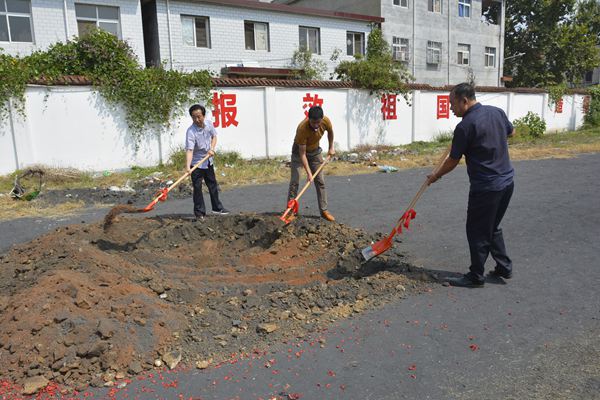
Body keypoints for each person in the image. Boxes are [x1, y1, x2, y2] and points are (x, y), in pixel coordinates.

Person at [427, 83, 514, 287]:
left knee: (477, 230)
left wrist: (435, 176)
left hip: (486, 188)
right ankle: (504, 267)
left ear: (464, 101)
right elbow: (511, 132)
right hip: (508, 182)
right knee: (491, 227)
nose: (450, 108)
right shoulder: (497, 112)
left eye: (452, 104)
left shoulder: (465, 126)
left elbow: (452, 160)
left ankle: (475, 276)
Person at [287, 105, 336, 221]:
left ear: (321, 119)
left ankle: (324, 210)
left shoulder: (326, 121)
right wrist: (309, 173)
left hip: (315, 152)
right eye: (313, 122)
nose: (315, 125)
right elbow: (302, 154)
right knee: (295, 180)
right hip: (299, 153)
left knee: (320, 181)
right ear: (308, 119)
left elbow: (330, 132)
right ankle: (291, 211)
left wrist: (331, 147)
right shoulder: (302, 129)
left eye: (317, 122)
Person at [185, 104, 229, 219]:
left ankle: (217, 208)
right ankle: (199, 213)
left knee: (212, 185)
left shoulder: (209, 124)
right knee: (197, 188)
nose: (197, 120)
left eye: (199, 116)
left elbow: (214, 137)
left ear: (203, 115)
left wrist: (212, 148)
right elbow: (189, 150)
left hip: (208, 161)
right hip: (196, 164)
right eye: (194, 117)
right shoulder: (191, 132)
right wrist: (188, 167)